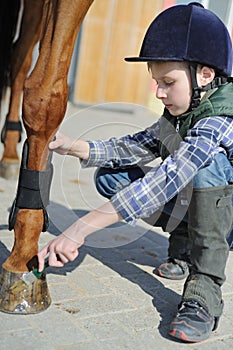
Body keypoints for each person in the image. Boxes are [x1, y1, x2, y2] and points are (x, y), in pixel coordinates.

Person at [38, 2, 233, 343]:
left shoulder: (218, 120)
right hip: (207, 209)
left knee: (205, 169)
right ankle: (186, 249)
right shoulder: (184, 109)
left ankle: (204, 290)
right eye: (156, 81)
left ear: (204, 74)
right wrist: (74, 147)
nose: (158, 92)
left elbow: (165, 179)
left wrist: (78, 229)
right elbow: (135, 145)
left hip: (227, 219)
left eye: (168, 82)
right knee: (111, 176)